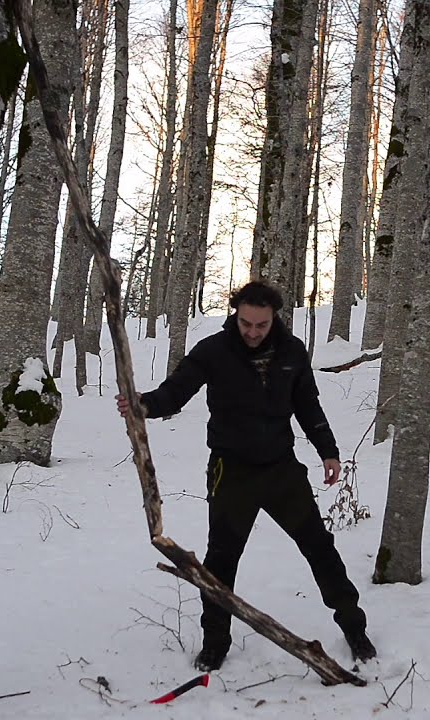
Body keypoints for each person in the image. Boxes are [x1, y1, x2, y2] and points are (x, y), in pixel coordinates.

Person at [117, 281, 376, 672]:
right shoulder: (214, 351)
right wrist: (144, 405)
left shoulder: (291, 352)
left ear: (275, 319)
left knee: (320, 548)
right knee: (220, 561)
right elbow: (177, 390)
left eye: (261, 325)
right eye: (246, 324)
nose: (253, 332)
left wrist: (329, 450)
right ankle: (215, 643)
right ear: (235, 316)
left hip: (280, 470)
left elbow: (307, 404)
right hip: (231, 471)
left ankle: (354, 628)